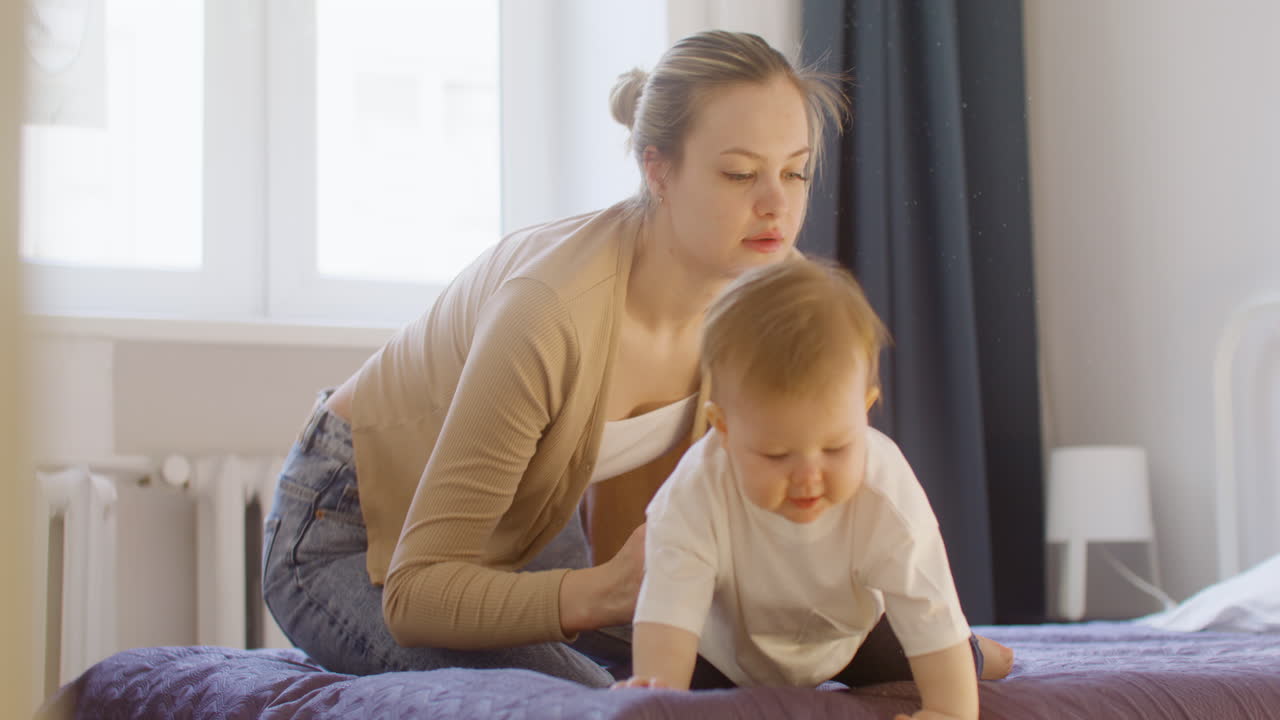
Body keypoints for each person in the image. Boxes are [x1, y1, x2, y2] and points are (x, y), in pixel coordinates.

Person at [261, 29, 1012, 689]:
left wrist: (912, 636)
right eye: (740, 174)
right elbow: (416, 594)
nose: (777, 206)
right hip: (351, 531)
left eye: (796, 171)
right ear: (658, 171)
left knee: (721, 667)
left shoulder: (767, 294)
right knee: (591, 700)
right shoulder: (548, 313)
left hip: (530, 522)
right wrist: (600, 593)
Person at [616, 258, 980, 720]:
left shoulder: (885, 492)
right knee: (648, 678)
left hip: (850, 635)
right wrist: (658, 694)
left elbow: (928, 608)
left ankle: (984, 652)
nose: (809, 476)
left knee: (952, 660)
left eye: (835, 448)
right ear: (723, 429)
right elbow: (668, 611)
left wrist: (948, 712)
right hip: (726, 647)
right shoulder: (695, 491)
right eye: (776, 455)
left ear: (865, 411)